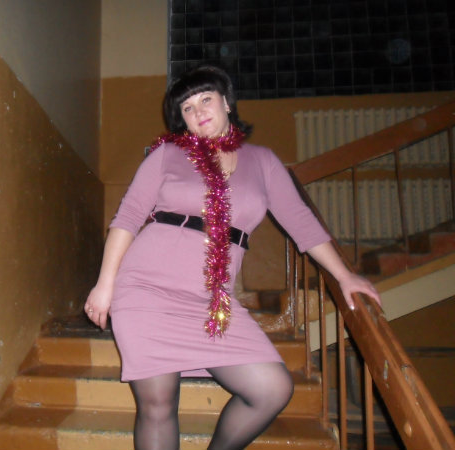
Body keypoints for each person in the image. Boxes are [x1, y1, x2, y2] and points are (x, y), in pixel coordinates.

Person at [84, 65, 380, 450]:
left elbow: (301, 222)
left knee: (272, 388)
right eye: (187, 107)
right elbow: (127, 218)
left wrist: (344, 276)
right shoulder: (168, 155)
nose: (198, 111)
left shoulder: (263, 161)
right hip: (146, 290)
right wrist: (104, 285)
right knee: (157, 405)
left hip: (212, 300)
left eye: (206, 99)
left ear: (226, 102)